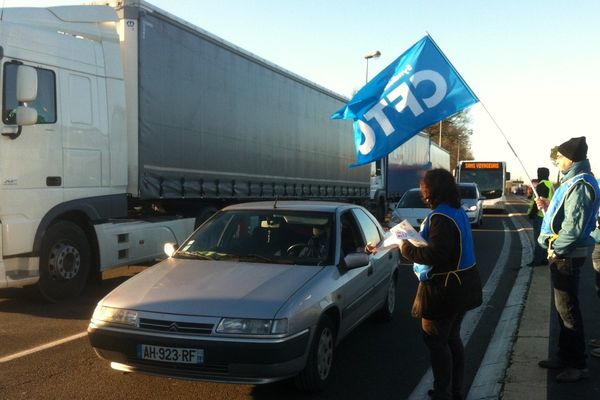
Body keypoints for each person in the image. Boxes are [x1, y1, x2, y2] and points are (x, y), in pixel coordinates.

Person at [399, 169, 482, 400]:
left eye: (425, 187)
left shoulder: (440, 217)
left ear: (431, 191)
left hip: (445, 289)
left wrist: (405, 246)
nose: (423, 192)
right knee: (452, 338)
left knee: (436, 341)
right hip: (463, 284)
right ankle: (455, 391)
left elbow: (435, 255)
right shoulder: (457, 211)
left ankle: (443, 393)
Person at [536, 136, 600, 382]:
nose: (558, 160)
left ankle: (577, 363)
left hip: (567, 255)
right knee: (563, 308)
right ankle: (564, 355)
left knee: (568, 310)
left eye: (561, 157)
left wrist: (555, 249)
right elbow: (568, 215)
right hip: (564, 253)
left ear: (571, 159)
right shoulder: (573, 181)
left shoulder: (580, 183)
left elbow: (574, 228)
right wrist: (550, 204)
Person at [526, 167, 554, 266]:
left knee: (538, 239)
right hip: (548, 215)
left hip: (540, 216)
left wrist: (531, 214)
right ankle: (544, 259)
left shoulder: (541, 185)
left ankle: (537, 261)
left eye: (538, 173)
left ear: (540, 174)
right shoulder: (550, 184)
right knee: (545, 238)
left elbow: (538, 202)